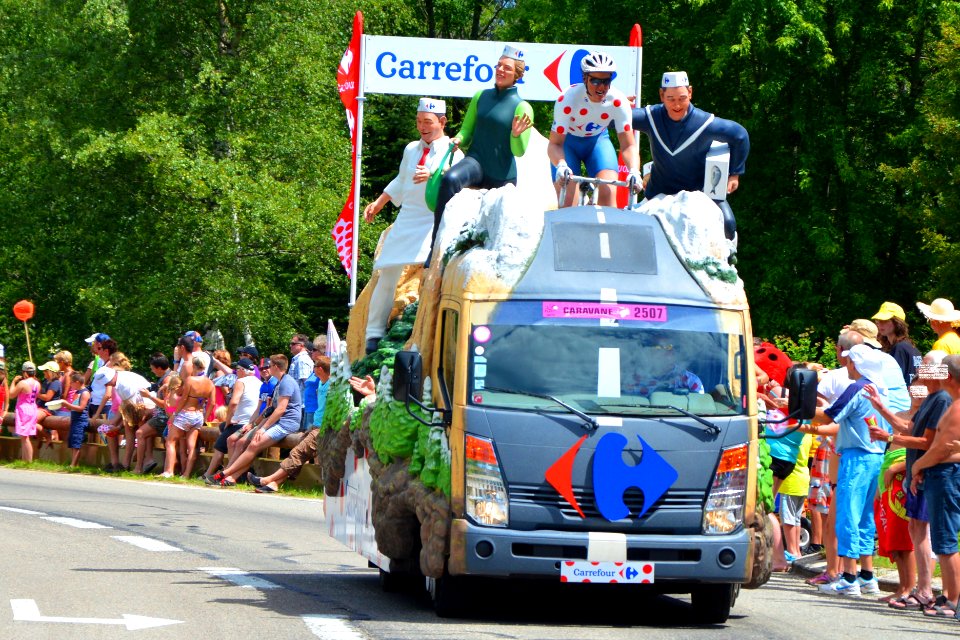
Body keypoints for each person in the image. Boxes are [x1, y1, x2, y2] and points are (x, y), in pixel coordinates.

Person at [363, 98, 463, 355]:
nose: (422, 127)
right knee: (387, 270)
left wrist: (433, 175)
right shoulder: (410, 149)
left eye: (427, 122)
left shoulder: (453, 151)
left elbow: (457, 181)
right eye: (419, 122)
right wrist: (380, 202)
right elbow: (401, 178)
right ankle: (373, 333)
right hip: (408, 216)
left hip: (434, 219)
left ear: (442, 122)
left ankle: (422, 327)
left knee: (430, 274)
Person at [428, 45, 534, 258]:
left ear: (517, 75)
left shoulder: (523, 107)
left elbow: (519, 152)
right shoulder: (480, 96)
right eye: (499, 66)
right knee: (450, 179)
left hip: (502, 174)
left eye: (507, 68)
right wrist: (459, 138)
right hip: (476, 161)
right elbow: (467, 129)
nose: (501, 71)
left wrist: (515, 135)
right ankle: (435, 247)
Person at [866, 350, 950, 611]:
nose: (919, 373)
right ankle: (921, 590)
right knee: (916, 530)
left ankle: (929, 591)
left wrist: (889, 439)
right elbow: (908, 428)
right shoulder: (930, 399)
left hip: (930, 473)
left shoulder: (942, 399)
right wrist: (882, 409)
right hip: (919, 474)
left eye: (925, 368)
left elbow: (928, 441)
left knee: (931, 535)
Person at [813, 343, 893, 597]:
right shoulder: (880, 388)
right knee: (866, 517)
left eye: (848, 361)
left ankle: (849, 577)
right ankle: (867, 576)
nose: (845, 364)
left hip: (856, 459)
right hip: (877, 457)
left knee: (847, 515)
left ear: (856, 364)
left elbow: (828, 416)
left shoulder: (856, 388)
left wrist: (793, 410)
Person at [631, 71, 749, 240]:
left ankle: (728, 261)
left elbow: (740, 135)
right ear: (661, 95)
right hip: (657, 193)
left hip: (699, 193)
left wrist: (735, 174)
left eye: (682, 98)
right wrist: (617, 104)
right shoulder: (651, 118)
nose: (677, 105)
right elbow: (614, 117)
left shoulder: (704, 123)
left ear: (690, 93)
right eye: (671, 98)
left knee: (728, 225)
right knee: (631, 226)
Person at [548, 51, 640, 207]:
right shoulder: (568, 99)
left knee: (608, 193)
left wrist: (634, 171)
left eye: (606, 81)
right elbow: (554, 144)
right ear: (585, 79)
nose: (601, 87)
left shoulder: (618, 101)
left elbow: (628, 145)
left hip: (597, 142)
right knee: (568, 201)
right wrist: (561, 164)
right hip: (567, 144)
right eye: (595, 81)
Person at [910, 354, 960, 617]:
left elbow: (938, 448)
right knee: (944, 537)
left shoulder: (954, 406)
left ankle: (952, 599)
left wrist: (919, 466)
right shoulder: (950, 403)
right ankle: (951, 596)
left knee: (945, 539)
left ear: (948, 376)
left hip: (946, 477)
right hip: (942, 474)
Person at [211, 354, 302, 487]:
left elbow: (281, 410)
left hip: (287, 423)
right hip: (277, 421)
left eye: (269, 366)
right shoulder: (279, 382)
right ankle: (231, 478)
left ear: (276, 367)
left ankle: (225, 473)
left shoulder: (286, 382)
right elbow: (270, 409)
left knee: (254, 444)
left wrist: (263, 428)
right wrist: (255, 425)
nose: (267, 369)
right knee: (251, 444)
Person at [247, 357, 334, 493]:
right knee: (300, 454)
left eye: (315, 366)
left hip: (324, 427)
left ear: (320, 369)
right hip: (316, 425)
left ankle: (266, 480)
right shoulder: (321, 383)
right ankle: (275, 484)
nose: (312, 368)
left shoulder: (331, 386)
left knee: (297, 453)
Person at [202, 357, 262, 482]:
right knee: (223, 430)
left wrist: (228, 420)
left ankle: (211, 474)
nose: (235, 372)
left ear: (241, 370)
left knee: (219, 446)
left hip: (240, 422)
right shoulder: (259, 382)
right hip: (252, 422)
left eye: (237, 369)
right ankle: (230, 472)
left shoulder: (241, 382)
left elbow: (234, 403)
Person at [163, 356, 215, 478]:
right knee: (191, 447)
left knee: (170, 441)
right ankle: (186, 474)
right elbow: (212, 403)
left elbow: (184, 399)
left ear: (194, 366)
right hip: (198, 416)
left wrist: (175, 414)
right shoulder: (210, 383)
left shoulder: (190, 380)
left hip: (186, 413)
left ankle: (169, 471)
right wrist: (205, 418)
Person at [134, 354, 174, 474]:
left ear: (159, 368)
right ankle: (149, 460)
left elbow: (165, 404)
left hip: (164, 417)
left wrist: (149, 396)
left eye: (152, 368)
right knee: (145, 422)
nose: (152, 370)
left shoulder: (167, 381)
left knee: (140, 433)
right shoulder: (173, 374)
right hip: (163, 415)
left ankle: (138, 468)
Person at [872, 301, 922, 384]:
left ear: (897, 323)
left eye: (885, 320)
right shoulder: (910, 346)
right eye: (878, 320)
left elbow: (892, 380)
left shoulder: (899, 348)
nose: (879, 324)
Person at [9, 362, 41, 463]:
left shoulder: (23, 383)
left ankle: (28, 461)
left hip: (24, 410)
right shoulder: (37, 383)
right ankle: (24, 460)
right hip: (33, 408)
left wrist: (13, 382)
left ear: (25, 373)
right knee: (25, 437)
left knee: (25, 438)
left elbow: (11, 395)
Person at [61, 371, 90, 468]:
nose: (70, 385)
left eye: (72, 383)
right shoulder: (76, 393)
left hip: (80, 420)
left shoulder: (85, 393)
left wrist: (68, 405)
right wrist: (67, 406)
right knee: (73, 442)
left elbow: (81, 408)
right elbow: (73, 406)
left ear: (77, 382)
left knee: (77, 443)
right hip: (74, 419)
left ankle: (73, 464)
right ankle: (74, 463)